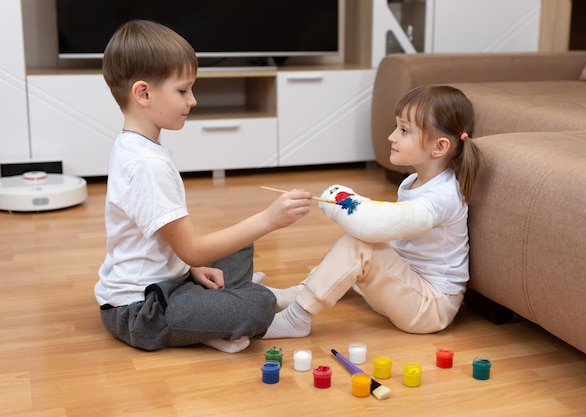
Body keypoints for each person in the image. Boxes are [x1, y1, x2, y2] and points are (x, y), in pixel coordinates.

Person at [94, 20, 313, 353]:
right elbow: (192, 249)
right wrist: (270, 220)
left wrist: (193, 269)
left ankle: (215, 317)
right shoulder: (146, 165)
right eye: (183, 90)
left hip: (170, 281)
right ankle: (248, 313)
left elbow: (173, 245)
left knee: (238, 248)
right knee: (256, 305)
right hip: (140, 311)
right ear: (143, 93)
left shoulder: (135, 146)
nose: (192, 100)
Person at [262, 85, 482, 338]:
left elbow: (374, 225)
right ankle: (299, 293)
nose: (392, 136)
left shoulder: (443, 195)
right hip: (408, 287)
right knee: (358, 245)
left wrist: (341, 199)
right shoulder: (412, 182)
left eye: (404, 130)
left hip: (430, 307)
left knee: (360, 246)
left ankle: (297, 317)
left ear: (439, 147)